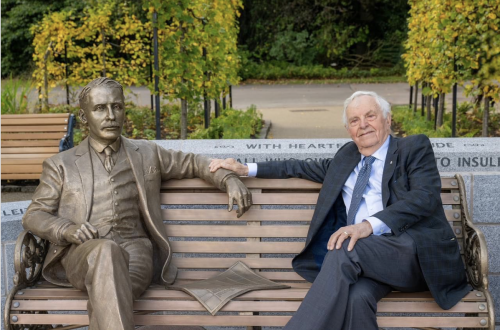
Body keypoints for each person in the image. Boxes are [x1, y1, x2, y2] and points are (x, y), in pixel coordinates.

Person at [209, 91, 470, 330]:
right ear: (348, 130)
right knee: (357, 298)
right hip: (368, 265)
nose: (363, 124)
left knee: (346, 245)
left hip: (413, 259)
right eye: (354, 120)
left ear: (387, 120)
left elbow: (424, 198)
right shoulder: (346, 159)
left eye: (370, 116)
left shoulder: (413, 149)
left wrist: (367, 225)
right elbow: (296, 166)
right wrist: (245, 169)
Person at [22, 77, 252, 330]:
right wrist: (66, 229)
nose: (111, 115)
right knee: (105, 253)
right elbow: (34, 215)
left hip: (135, 252)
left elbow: (194, 163)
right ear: (84, 116)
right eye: (100, 108)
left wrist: (229, 178)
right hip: (83, 254)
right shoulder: (61, 165)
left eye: (117, 107)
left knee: (109, 292)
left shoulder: (146, 153)